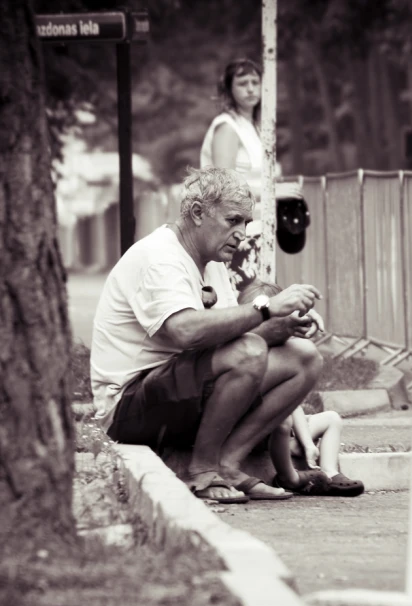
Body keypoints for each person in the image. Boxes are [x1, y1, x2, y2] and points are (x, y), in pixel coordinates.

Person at [90, 166, 324, 504]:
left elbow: (227, 334)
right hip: (128, 407)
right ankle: (201, 471)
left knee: (303, 357)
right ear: (198, 213)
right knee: (248, 352)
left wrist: (281, 327)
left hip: (180, 391)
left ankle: (228, 464)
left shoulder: (212, 260)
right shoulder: (160, 258)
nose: (242, 232)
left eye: (246, 221)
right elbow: (184, 331)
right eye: (233, 220)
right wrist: (266, 308)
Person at [239, 281, 365, 498]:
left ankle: (329, 472)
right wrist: (307, 443)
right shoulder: (251, 354)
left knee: (332, 419)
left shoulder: (286, 352)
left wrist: (306, 443)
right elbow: (284, 408)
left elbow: (292, 402)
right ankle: (288, 474)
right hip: (261, 432)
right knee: (284, 422)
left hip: (287, 430)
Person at [200, 57, 303, 293]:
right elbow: (223, 182)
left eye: (255, 82)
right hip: (232, 231)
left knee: (260, 296)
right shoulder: (227, 126)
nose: (250, 89)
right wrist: (272, 193)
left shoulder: (256, 128)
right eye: (242, 83)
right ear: (228, 88)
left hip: (257, 227)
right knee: (245, 300)